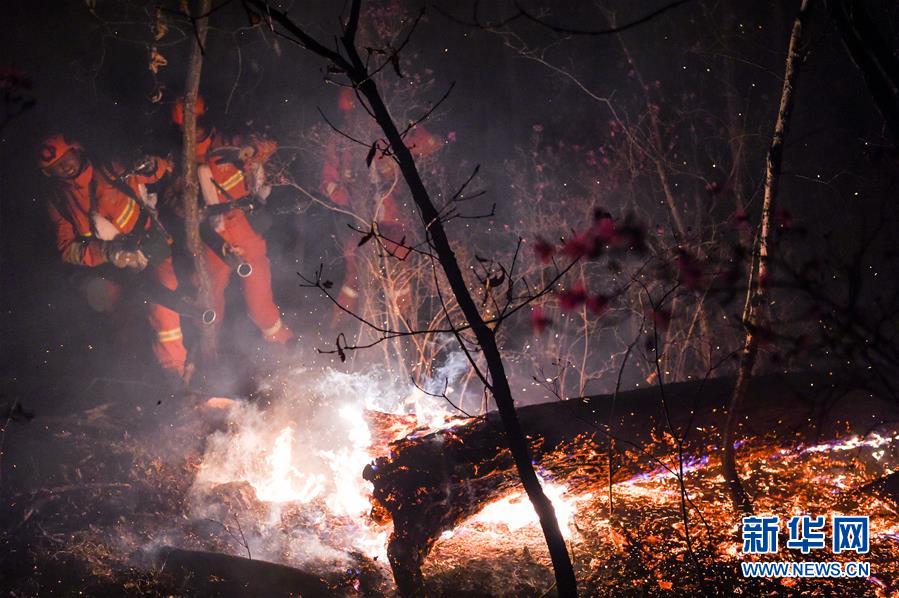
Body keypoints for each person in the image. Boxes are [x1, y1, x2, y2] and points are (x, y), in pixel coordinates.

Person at [38, 133, 190, 386]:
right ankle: (140, 383)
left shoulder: (111, 168)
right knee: (124, 320)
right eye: (55, 166)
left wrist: (152, 164)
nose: (64, 166)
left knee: (164, 308)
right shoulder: (59, 202)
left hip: (151, 251)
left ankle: (174, 374)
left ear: (77, 149)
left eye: (66, 157)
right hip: (113, 268)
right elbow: (68, 249)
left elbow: (156, 171)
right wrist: (107, 253)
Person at [171, 97, 293, 345]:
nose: (193, 128)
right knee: (209, 296)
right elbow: (173, 202)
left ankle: (283, 345)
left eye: (196, 121)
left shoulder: (229, 141)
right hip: (212, 234)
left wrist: (250, 151)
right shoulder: (181, 160)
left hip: (243, 225)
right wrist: (187, 205)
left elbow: (269, 145)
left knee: (259, 291)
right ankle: (207, 353)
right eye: (187, 124)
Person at [319, 87, 442, 319]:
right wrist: (350, 197)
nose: (356, 120)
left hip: (394, 217)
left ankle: (405, 322)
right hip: (360, 220)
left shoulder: (388, 134)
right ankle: (343, 323)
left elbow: (430, 144)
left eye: (359, 113)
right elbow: (327, 182)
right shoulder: (340, 143)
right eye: (351, 115)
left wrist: (399, 159)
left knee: (399, 259)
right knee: (354, 266)